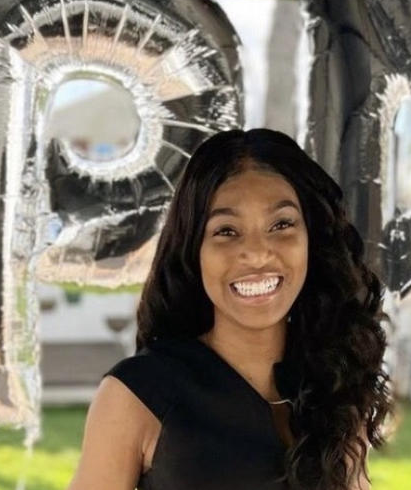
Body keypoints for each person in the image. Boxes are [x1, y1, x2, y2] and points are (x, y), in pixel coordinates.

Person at [67, 129, 393, 490]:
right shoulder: (139, 393)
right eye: (226, 230)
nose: (256, 253)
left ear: (311, 241)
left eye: (281, 224)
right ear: (194, 250)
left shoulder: (333, 383)